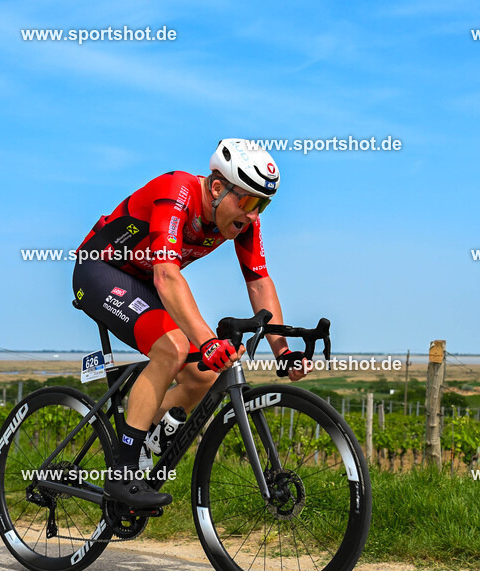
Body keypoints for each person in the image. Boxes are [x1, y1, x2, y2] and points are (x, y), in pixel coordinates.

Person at [72, 139, 309, 509]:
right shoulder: (176, 191)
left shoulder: (241, 222)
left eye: (262, 205)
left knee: (205, 374)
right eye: (247, 201)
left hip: (142, 280)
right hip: (99, 270)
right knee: (174, 348)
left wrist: (284, 350)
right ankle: (122, 471)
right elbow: (167, 277)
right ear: (217, 187)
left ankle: (142, 432)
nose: (252, 214)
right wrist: (208, 341)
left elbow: (259, 281)